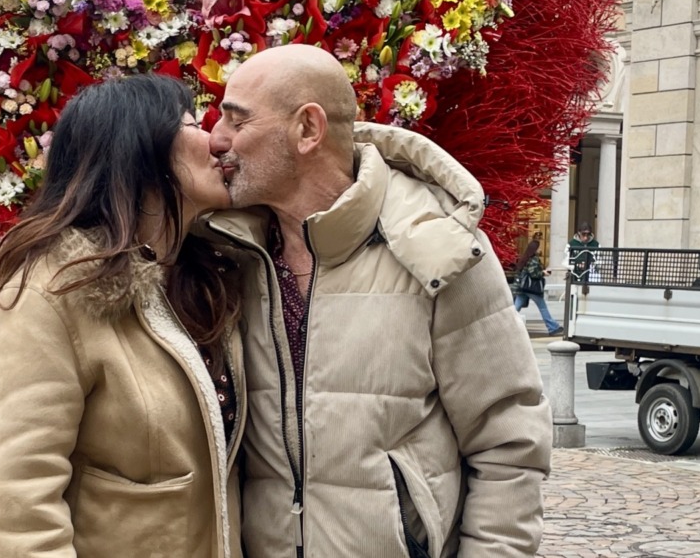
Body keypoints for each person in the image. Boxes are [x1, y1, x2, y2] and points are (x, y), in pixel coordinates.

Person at [206, 45, 551, 557]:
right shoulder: (226, 255)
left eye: (237, 120)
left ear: (307, 130)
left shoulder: (438, 248)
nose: (217, 139)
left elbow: (508, 441)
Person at [0, 75, 244, 558]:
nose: (218, 138)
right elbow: (23, 513)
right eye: (193, 123)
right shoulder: (46, 297)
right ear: (139, 148)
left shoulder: (199, 281)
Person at [513, 232, 562, 336]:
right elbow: (534, 274)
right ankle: (552, 327)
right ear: (535, 249)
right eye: (539, 247)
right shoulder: (534, 259)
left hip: (522, 288)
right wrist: (543, 273)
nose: (541, 249)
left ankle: (506, 325)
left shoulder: (525, 258)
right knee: (542, 307)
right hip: (532, 288)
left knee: (515, 308)